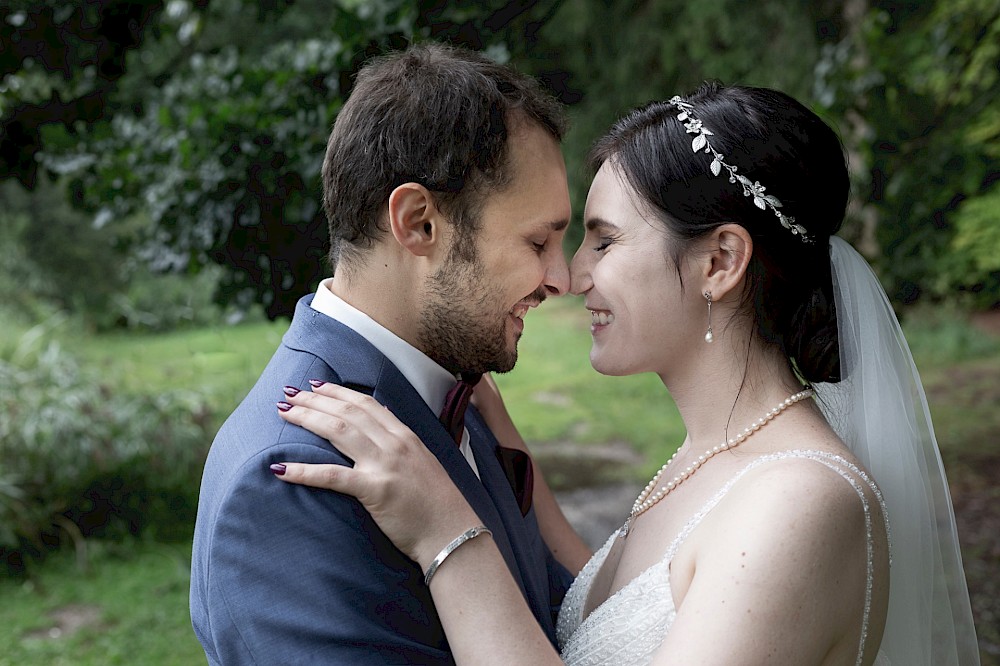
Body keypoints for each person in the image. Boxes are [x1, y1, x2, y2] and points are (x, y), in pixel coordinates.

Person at [271, 83, 981, 665]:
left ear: (719, 263)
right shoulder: (714, 456)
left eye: (604, 241)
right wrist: (510, 454)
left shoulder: (804, 502)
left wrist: (447, 534)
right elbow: (626, 620)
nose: (572, 276)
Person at [189, 43, 587, 664]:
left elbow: (553, 620)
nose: (560, 279)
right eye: (538, 241)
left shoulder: (459, 390)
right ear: (419, 222)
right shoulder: (293, 478)